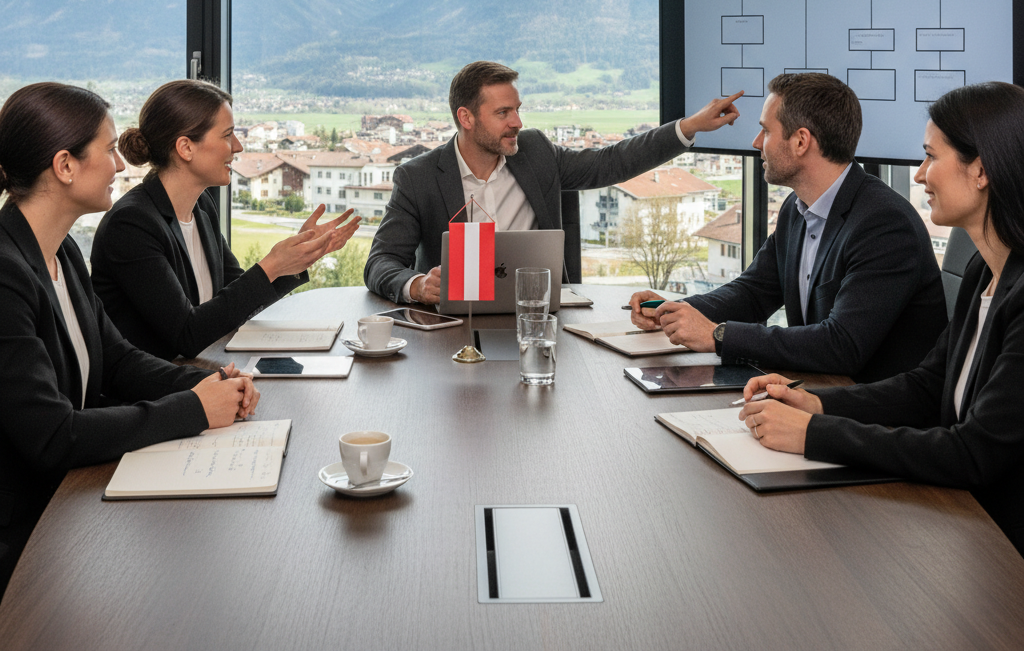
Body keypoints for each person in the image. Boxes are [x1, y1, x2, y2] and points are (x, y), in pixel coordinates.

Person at [738, 82, 1024, 554]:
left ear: (982, 170)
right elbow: (926, 388)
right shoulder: (983, 271)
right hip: (965, 525)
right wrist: (817, 405)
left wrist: (815, 435)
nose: (919, 175)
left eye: (931, 157)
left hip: (1002, 553)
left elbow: (974, 452)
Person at [0, 82, 260, 595]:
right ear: (65, 165)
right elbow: (52, 435)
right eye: (109, 149)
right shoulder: (6, 276)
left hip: (67, 499)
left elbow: (118, 361)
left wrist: (210, 383)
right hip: (25, 533)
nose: (121, 164)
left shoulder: (63, 254)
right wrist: (192, 409)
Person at [629, 72, 947, 382]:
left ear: (800, 141)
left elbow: (842, 346)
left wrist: (717, 336)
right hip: (818, 394)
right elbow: (753, 293)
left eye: (766, 131)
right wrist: (672, 311)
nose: (756, 143)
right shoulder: (796, 209)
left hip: (875, 419)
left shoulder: (884, 225)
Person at [364, 60, 743, 305]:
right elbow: (381, 263)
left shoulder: (536, 152)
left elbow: (611, 162)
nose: (517, 122)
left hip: (542, 318)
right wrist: (416, 286)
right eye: (503, 112)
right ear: (466, 117)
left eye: (517, 110)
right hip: (451, 331)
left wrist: (688, 128)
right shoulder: (418, 177)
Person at [91, 79, 360, 360]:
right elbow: (187, 334)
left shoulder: (202, 206)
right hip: (160, 393)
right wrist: (271, 266)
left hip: (205, 372)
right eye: (227, 135)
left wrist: (298, 256)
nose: (238, 146)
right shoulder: (132, 224)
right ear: (185, 148)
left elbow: (235, 300)